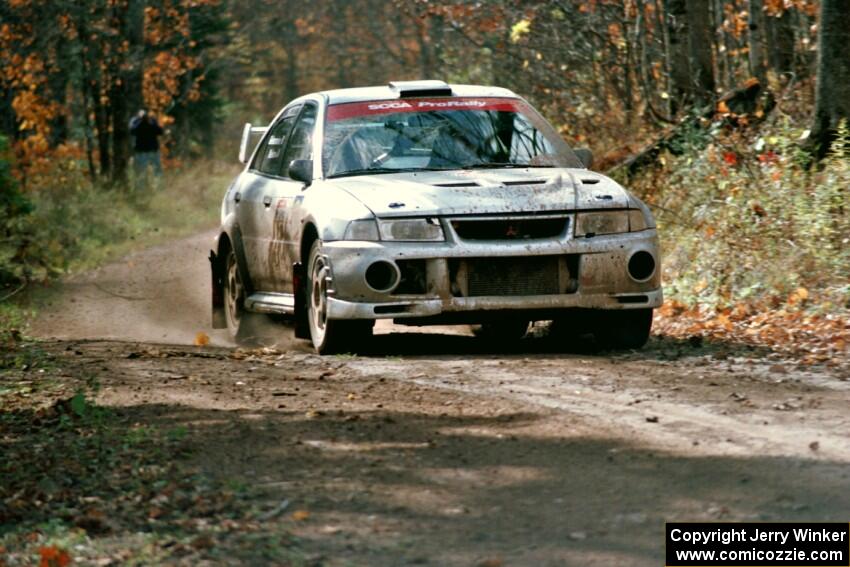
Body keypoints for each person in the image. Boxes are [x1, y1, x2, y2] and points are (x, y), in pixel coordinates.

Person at [129, 109, 164, 187]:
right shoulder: (135, 121)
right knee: (141, 172)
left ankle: (159, 187)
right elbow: (132, 131)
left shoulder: (152, 121)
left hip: (153, 151)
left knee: (157, 171)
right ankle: (141, 191)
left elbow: (160, 131)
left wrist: (151, 122)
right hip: (141, 152)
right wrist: (141, 121)